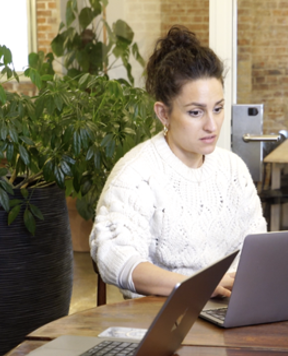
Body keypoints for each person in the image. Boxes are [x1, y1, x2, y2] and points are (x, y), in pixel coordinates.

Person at [90, 26, 267, 299]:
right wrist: (196, 286)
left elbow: (258, 250)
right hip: (162, 316)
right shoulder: (136, 173)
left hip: (231, 308)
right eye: (196, 112)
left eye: (218, 109)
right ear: (163, 113)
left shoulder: (233, 169)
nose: (211, 125)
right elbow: (116, 260)